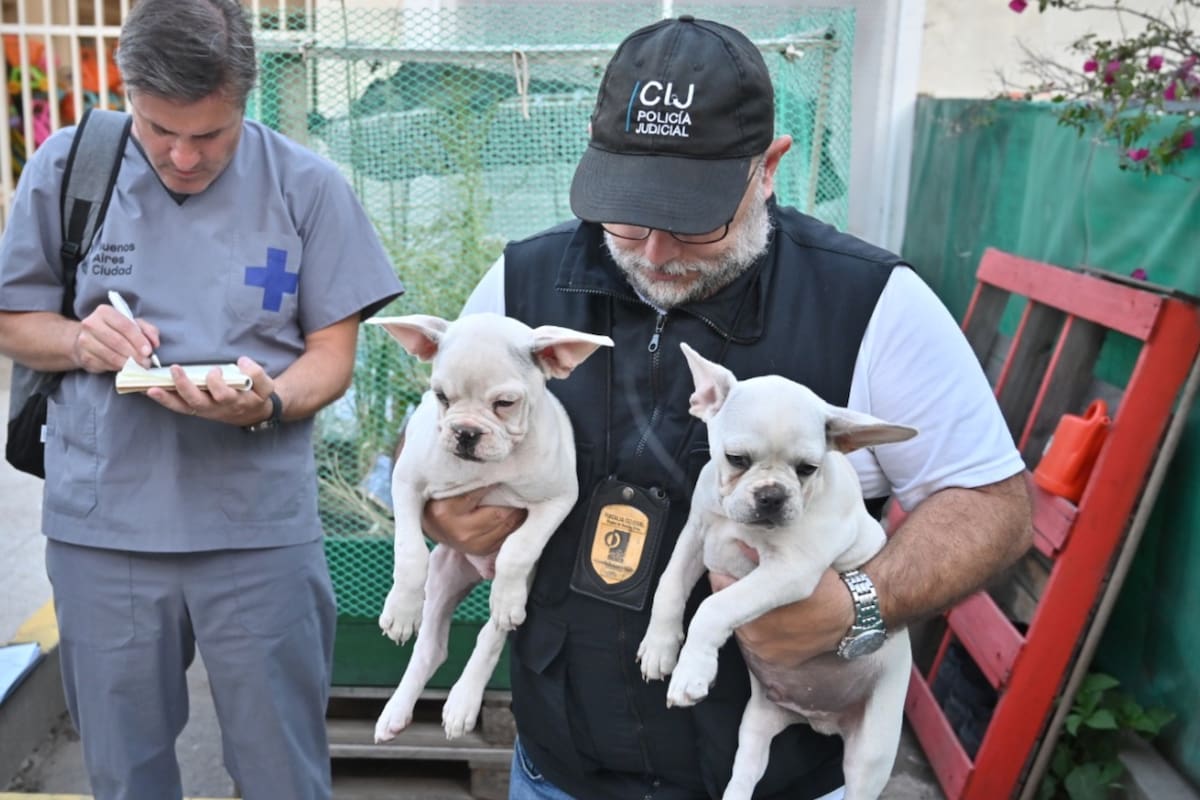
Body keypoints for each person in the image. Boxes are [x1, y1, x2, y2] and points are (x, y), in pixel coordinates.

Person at [423, 15, 1033, 800]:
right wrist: (446, 512)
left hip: (781, 774)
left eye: (693, 218)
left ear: (768, 167)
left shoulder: (871, 303)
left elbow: (993, 503)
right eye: (629, 210)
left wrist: (861, 605)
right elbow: (434, 447)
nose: (653, 253)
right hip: (561, 771)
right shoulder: (520, 288)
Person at [0, 1, 403, 798]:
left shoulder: (307, 188)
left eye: (209, 136)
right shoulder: (70, 169)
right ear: (128, 95)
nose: (182, 157)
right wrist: (81, 340)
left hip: (255, 530)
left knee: (282, 768)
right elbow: (15, 319)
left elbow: (332, 355)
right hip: (105, 527)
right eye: (158, 131)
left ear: (245, 100)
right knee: (124, 772)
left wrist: (272, 402)